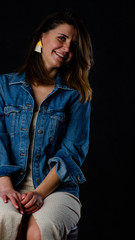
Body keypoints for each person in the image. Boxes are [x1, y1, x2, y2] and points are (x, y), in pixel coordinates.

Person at [0, 10, 93, 240]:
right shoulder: (4, 85)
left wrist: (39, 193)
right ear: (42, 37)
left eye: (74, 45)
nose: (67, 48)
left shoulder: (77, 96)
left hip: (57, 190)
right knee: (5, 220)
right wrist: (5, 185)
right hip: (6, 183)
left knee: (40, 231)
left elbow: (72, 153)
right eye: (62, 38)